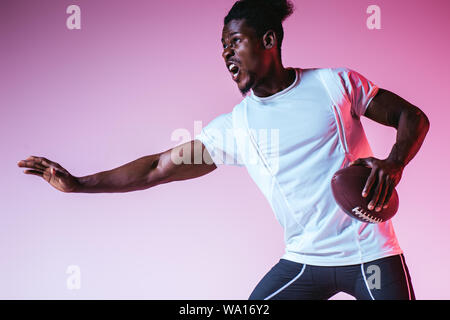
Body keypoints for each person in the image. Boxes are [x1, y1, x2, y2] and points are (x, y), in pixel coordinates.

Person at [17, 0, 430, 300]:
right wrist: (78, 184)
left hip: (371, 256)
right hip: (306, 261)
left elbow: (412, 117)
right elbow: (156, 168)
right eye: (222, 46)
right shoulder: (236, 128)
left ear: (269, 40)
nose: (226, 53)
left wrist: (395, 163)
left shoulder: (334, 85)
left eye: (234, 41)